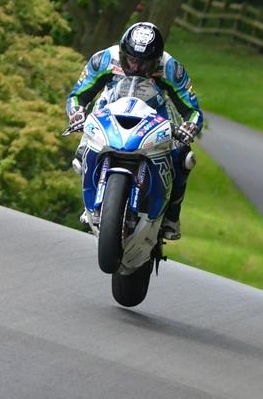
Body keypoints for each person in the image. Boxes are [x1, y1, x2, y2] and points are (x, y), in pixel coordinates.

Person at [66, 22, 203, 240]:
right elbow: (77, 94)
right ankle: (91, 205)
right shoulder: (104, 59)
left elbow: (192, 110)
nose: (137, 67)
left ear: (156, 58)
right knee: (82, 151)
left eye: (145, 62)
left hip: (154, 115)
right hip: (109, 110)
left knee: (182, 156)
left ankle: (171, 219)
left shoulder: (170, 68)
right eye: (131, 59)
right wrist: (77, 113)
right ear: (122, 53)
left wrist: (189, 126)